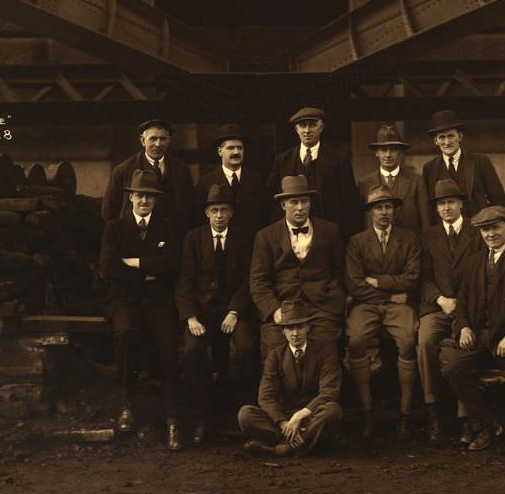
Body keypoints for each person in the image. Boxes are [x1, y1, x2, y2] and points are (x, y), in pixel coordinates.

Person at [440, 206, 505, 460]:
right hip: (480, 336)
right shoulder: (473, 262)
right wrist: (463, 326)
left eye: (495, 227)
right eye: (485, 230)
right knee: (453, 367)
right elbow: (462, 302)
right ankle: (486, 424)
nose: (490, 234)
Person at [99, 169, 183, 451]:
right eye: (139, 195)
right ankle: (126, 402)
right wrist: (147, 270)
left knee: (169, 343)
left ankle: (173, 416)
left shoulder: (167, 227)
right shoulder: (115, 227)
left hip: (157, 300)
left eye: (149, 196)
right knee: (125, 333)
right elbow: (108, 268)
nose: (144, 200)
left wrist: (135, 263)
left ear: (155, 200)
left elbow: (172, 264)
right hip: (123, 298)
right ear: (130, 197)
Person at [175, 184, 256, 444]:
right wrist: (191, 318)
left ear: (231, 213)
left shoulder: (243, 239)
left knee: (246, 348)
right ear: (207, 213)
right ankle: (202, 414)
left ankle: (240, 412)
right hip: (201, 312)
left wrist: (234, 312)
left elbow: (247, 282)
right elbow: (185, 282)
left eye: (224, 210)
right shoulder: (193, 238)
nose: (219, 215)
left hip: (233, 310)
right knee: (192, 351)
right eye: (214, 210)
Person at [345, 185, 421, 441]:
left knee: (409, 341)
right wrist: (390, 292)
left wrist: (377, 282)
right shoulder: (357, 242)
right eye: (378, 207)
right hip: (366, 305)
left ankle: (406, 415)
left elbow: (411, 278)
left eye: (388, 207)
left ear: (394, 210)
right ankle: (367, 413)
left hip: (399, 307)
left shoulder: (409, 238)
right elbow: (355, 283)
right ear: (370, 212)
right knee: (355, 340)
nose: (384, 212)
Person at [417, 179, 485, 445]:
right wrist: (440, 299)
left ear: (461, 204)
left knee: (464, 345)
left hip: (468, 309)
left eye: (451, 202)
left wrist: (463, 305)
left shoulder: (476, 233)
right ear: (436, 208)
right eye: (441, 203)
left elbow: (482, 276)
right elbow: (424, 278)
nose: (446, 207)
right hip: (438, 307)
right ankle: (434, 411)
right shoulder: (429, 236)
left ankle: (465, 417)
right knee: (424, 343)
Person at [250, 175, 345, 359]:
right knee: (275, 351)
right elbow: (258, 280)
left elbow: (339, 271)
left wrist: (331, 299)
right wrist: (273, 310)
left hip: (321, 307)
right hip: (283, 306)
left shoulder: (330, 230)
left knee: (326, 347)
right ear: (283, 205)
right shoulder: (266, 236)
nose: (300, 208)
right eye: (294, 202)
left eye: (304, 201)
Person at [237, 299, 342, 457]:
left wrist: (298, 417)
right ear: (283, 331)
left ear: (308, 327)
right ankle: (300, 444)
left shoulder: (325, 352)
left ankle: (279, 448)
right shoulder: (275, 356)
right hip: (283, 418)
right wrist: (284, 423)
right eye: (290, 328)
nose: (295, 333)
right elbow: (266, 397)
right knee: (245, 414)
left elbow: (329, 392)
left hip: (311, 416)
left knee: (333, 411)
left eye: (299, 327)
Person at [266, 107, 359, 239]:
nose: (307, 130)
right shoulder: (283, 160)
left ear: (321, 127)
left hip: (329, 234)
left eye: (312, 125)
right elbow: (272, 199)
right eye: (302, 126)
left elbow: (349, 202)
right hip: (292, 234)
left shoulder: (338, 159)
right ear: (296, 129)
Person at [102, 118, 195, 234]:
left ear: (169, 140)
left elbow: (190, 208)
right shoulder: (124, 170)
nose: (158, 144)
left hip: (173, 237)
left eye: (163, 139)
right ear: (142, 140)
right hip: (136, 237)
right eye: (153, 139)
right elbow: (109, 210)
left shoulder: (182, 170)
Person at [421, 109, 505, 222]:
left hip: (477, 230)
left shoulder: (480, 161)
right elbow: (429, 208)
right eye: (442, 137)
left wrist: (489, 226)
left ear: (460, 136)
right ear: (435, 141)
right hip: (446, 233)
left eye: (451, 136)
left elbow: (498, 199)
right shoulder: (429, 168)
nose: (447, 142)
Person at [356, 124, 430, 233]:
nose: (388, 155)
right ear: (376, 152)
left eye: (393, 150)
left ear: (401, 153)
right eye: (383, 150)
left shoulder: (416, 181)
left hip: (410, 247)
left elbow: (425, 221)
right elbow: (360, 223)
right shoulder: (365, 184)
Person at [195, 124, 266, 235]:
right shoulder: (206, 182)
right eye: (230, 148)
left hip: (250, 244)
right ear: (220, 151)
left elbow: (263, 217)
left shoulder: (256, 181)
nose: (236, 152)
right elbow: (200, 219)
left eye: (240, 148)